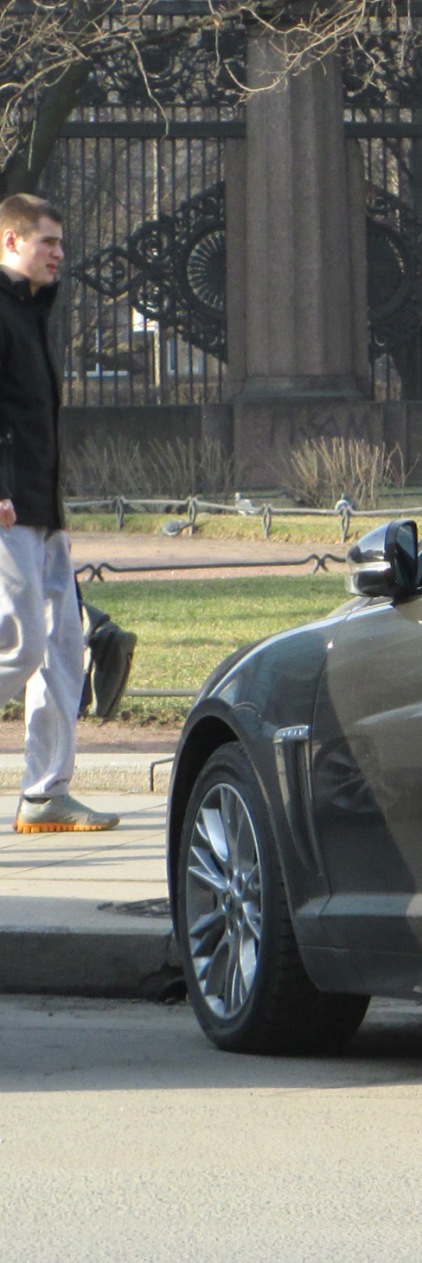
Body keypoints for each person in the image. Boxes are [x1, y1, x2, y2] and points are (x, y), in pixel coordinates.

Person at [0, 192, 117, 832]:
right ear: (11, 241)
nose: (59, 254)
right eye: (47, 241)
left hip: (43, 512)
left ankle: (45, 795)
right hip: (8, 509)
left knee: (64, 652)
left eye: (61, 243)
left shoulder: (31, 311)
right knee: (20, 647)